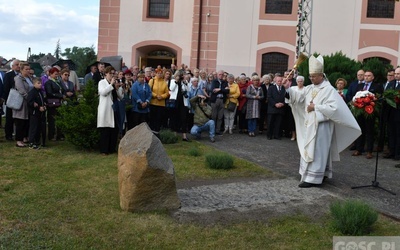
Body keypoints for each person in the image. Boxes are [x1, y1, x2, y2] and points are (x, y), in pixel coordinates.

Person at [284, 55, 361, 188]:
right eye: (310, 76)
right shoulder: (310, 88)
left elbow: (335, 109)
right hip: (310, 125)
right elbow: (298, 98)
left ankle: (313, 178)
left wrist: (316, 107)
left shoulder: (329, 90)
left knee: (319, 151)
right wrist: (287, 89)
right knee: (311, 149)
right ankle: (316, 174)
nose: (311, 79)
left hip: (322, 126)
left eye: (314, 76)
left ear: (321, 75)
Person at [351, 70, 383, 159]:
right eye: (365, 76)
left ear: (373, 77)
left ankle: (369, 151)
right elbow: (355, 97)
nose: (366, 77)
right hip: (360, 112)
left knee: (369, 131)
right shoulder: (360, 86)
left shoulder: (377, 86)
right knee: (360, 131)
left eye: (369, 76)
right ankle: (359, 149)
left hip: (370, 112)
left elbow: (379, 98)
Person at [97, 66, 119, 155]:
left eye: (113, 73)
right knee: (105, 129)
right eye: (110, 73)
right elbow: (102, 92)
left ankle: (111, 148)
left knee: (113, 129)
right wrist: (111, 85)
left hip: (113, 109)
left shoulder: (113, 84)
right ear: (106, 74)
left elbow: (117, 97)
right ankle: (104, 150)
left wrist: (117, 88)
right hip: (105, 109)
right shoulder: (102, 82)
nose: (112, 75)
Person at [13, 62, 33, 147]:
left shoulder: (30, 78)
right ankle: (19, 140)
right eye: (26, 69)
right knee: (20, 122)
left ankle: (25, 137)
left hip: (28, 103)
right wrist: (30, 99)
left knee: (26, 121)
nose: (28, 71)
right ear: (21, 70)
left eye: (29, 69)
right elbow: (22, 91)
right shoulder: (18, 78)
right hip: (22, 103)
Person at [45, 67, 64, 141]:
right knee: (52, 120)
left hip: (58, 102)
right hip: (52, 103)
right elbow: (49, 93)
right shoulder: (48, 83)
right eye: (55, 74)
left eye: (57, 74)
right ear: (50, 74)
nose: (57, 76)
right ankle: (51, 135)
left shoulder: (57, 82)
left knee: (59, 119)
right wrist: (60, 95)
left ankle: (59, 134)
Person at [3, 59, 20, 140]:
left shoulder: (21, 74)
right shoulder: (9, 75)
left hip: (19, 99)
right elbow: (6, 88)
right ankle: (8, 134)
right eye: (17, 64)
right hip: (11, 98)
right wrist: (7, 99)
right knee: (9, 118)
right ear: (12, 66)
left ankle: (17, 133)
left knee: (17, 118)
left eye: (19, 64)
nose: (18, 66)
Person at [148, 68, 169, 135]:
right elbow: (149, 91)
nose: (159, 74)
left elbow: (167, 93)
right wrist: (155, 95)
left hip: (161, 104)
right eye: (158, 73)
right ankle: (150, 132)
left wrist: (162, 96)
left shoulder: (164, 82)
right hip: (153, 102)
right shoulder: (152, 80)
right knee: (152, 118)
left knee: (159, 119)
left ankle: (157, 133)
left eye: (160, 73)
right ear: (156, 73)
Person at [27, 77, 46, 149]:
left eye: (41, 83)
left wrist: (44, 105)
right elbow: (30, 102)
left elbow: (43, 100)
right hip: (34, 113)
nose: (40, 85)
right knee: (33, 128)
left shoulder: (40, 92)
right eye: (38, 83)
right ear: (34, 84)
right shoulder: (32, 92)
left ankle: (37, 141)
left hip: (40, 113)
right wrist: (38, 107)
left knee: (39, 127)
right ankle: (31, 142)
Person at [210, 70, 229, 135]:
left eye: (222, 75)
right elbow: (213, 90)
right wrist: (223, 90)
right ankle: (212, 130)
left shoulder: (225, 82)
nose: (221, 76)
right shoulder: (214, 81)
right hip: (215, 100)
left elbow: (227, 91)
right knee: (214, 116)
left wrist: (220, 89)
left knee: (220, 116)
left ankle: (218, 130)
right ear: (217, 75)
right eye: (220, 74)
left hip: (222, 100)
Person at [267, 75, 285, 140]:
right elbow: (269, 97)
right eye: (278, 81)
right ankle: (269, 135)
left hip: (281, 108)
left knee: (279, 123)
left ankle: (277, 135)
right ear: (275, 81)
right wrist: (275, 104)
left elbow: (287, 97)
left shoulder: (284, 88)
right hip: (272, 108)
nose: (279, 82)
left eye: (280, 81)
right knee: (270, 122)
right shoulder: (271, 88)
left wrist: (283, 103)